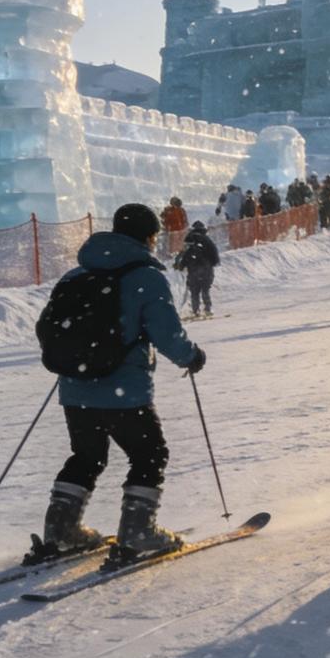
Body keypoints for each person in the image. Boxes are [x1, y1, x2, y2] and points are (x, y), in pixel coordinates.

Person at [37, 204, 206, 564]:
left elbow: (49, 329)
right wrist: (191, 356)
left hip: (76, 389)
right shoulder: (145, 276)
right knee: (149, 454)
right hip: (124, 391)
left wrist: (81, 361)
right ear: (149, 236)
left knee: (86, 457)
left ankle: (61, 531)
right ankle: (138, 533)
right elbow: (167, 334)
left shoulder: (75, 275)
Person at [173, 221, 220, 318]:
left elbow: (185, 255)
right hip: (207, 269)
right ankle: (208, 309)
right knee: (205, 290)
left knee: (194, 292)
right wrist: (212, 263)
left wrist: (181, 265)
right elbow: (214, 255)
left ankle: (195, 311)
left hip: (193, 270)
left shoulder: (190, 240)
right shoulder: (207, 241)